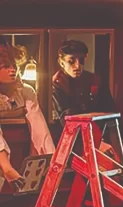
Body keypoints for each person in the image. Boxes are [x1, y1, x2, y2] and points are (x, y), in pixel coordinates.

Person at [0, 43, 54, 181]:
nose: (12, 70)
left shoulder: (25, 91)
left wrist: (51, 155)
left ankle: (49, 162)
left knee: (38, 121)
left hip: (20, 146)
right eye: (5, 66)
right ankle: (7, 168)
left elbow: (38, 123)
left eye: (14, 65)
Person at [51, 39, 116, 123]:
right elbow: (65, 118)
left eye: (81, 60)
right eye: (71, 61)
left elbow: (110, 110)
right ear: (61, 62)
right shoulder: (57, 84)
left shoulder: (95, 80)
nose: (77, 66)